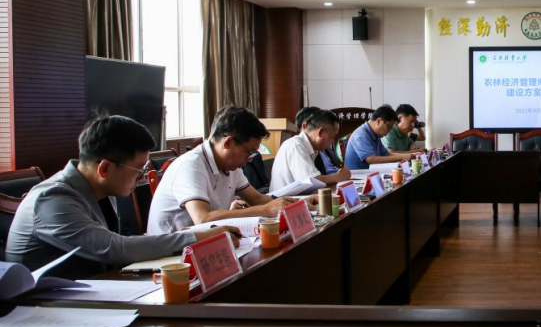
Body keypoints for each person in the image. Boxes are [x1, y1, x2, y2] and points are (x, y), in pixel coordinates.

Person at [5, 115, 239, 278]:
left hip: (92, 294)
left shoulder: (101, 189)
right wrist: (196, 237)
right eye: (138, 170)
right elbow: (114, 248)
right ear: (105, 168)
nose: (142, 178)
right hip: (42, 311)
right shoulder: (53, 198)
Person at [148, 106, 304, 234]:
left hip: (207, 241)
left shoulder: (231, 165)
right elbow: (203, 218)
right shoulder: (191, 165)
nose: (250, 159)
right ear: (228, 143)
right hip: (171, 254)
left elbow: (257, 199)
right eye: (249, 152)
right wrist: (265, 211)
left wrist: (301, 203)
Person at [271, 109, 351, 191]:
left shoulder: (309, 147)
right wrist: (340, 176)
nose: (332, 142)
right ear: (320, 132)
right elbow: (311, 181)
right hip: (285, 198)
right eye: (332, 137)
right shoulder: (296, 145)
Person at [344, 104, 403, 170]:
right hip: (357, 175)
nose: (389, 131)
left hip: (370, 173)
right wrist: (400, 157)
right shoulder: (361, 135)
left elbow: (387, 155)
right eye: (389, 127)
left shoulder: (375, 135)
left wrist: (406, 156)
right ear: (379, 121)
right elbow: (371, 159)